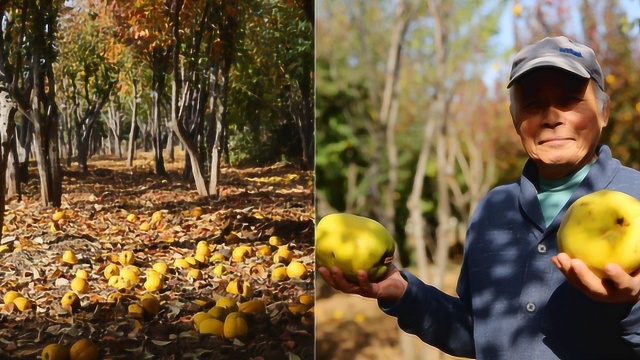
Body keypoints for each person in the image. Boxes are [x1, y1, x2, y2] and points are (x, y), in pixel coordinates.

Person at [318, 35, 640, 359]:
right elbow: (475, 333)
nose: (552, 117)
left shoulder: (635, 202)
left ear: (604, 111)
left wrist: (634, 305)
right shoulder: (494, 209)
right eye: (533, 103)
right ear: (515, 118)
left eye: (569, 100)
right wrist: (402, 292)